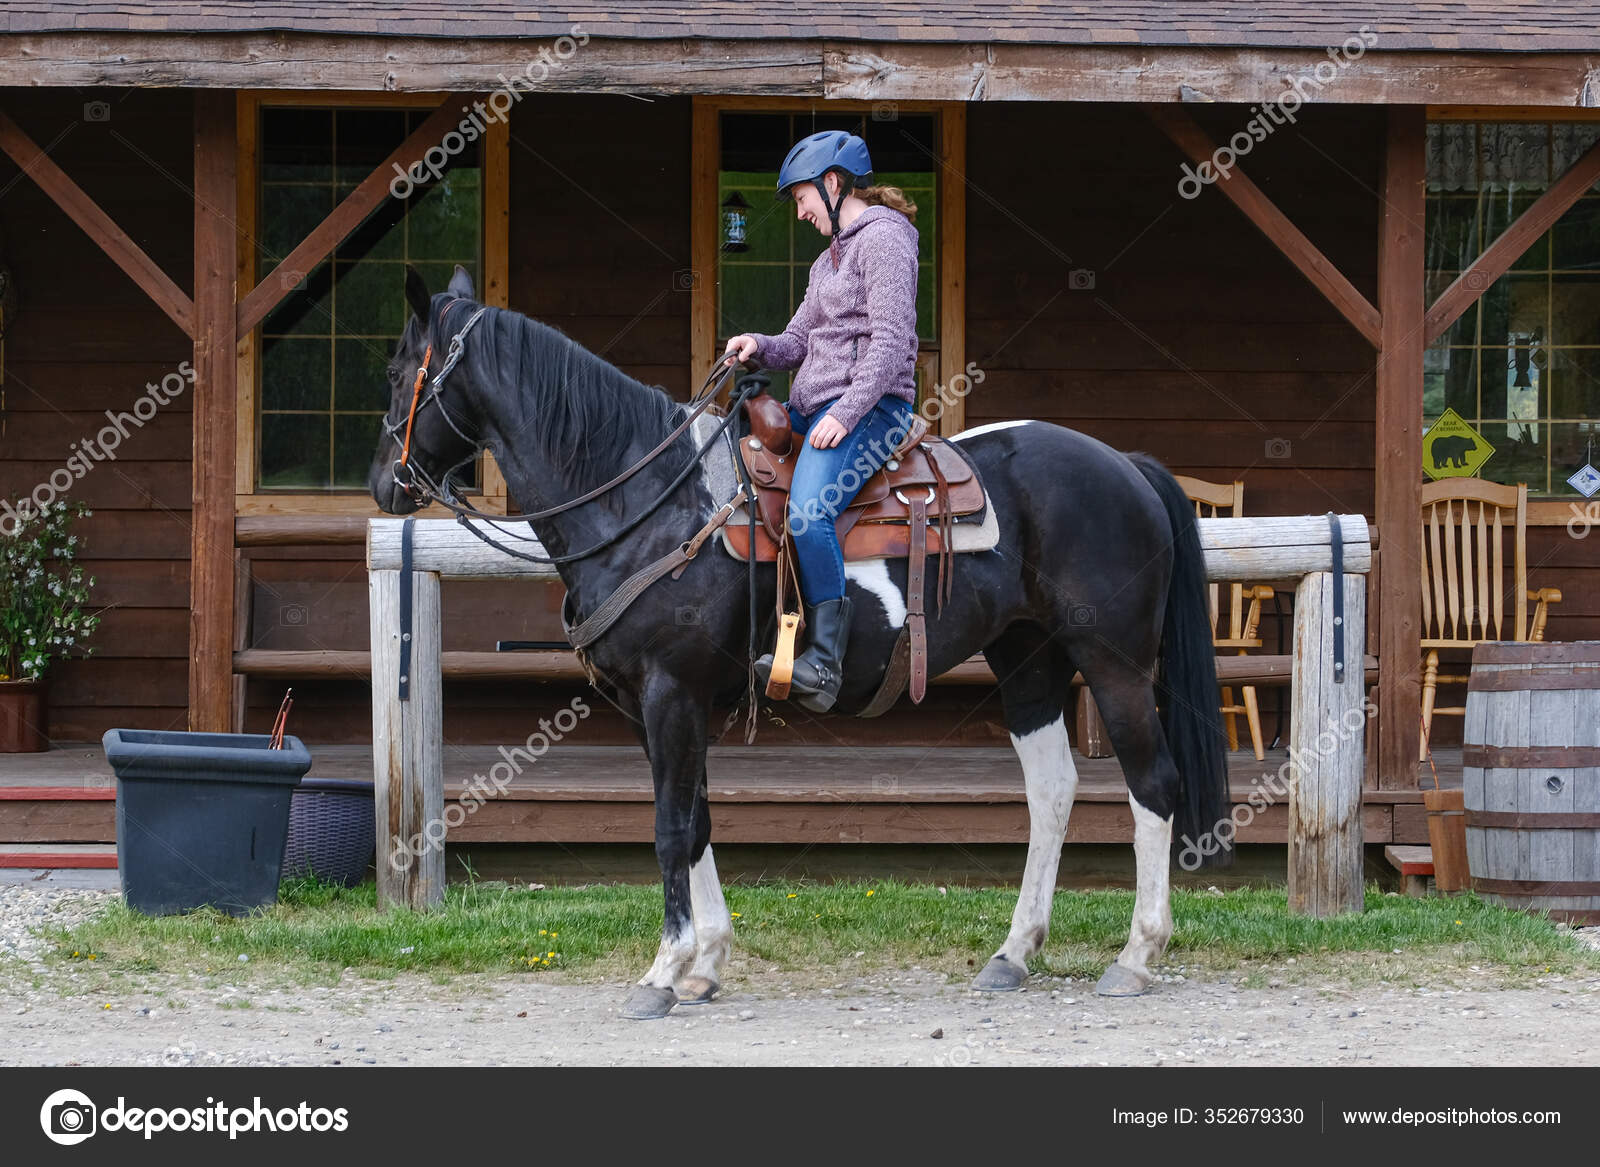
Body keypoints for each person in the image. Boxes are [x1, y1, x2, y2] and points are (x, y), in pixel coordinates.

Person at [724, 129, 921, 713]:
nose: (801, 211)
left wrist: (846, 412)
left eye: (803, 197)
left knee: (809, 512)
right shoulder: (826, 260)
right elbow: (795, 342)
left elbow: (890, 345)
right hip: (819, 408)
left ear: (833, 184)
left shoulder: (885, 241)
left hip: (874, 410)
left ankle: (824, 664)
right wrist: (755, 343)